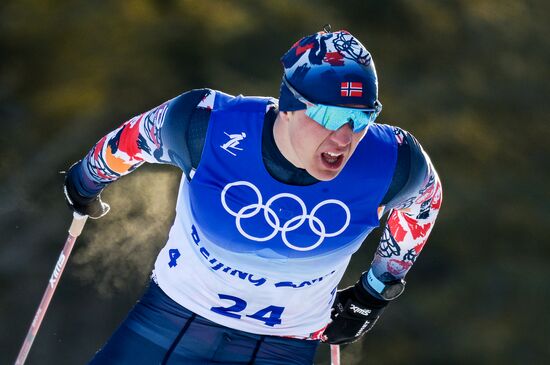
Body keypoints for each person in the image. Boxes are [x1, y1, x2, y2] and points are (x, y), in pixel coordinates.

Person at [64, 28, 442, 364]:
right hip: (171, 321)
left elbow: (425, 203)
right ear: (291, 106)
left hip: (284, 345)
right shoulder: (203, 124)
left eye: (361, 119)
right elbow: (131, 140)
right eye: (328, 116)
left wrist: (374, 292)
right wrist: (85, 182)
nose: (344, 138)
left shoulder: (394, 160)